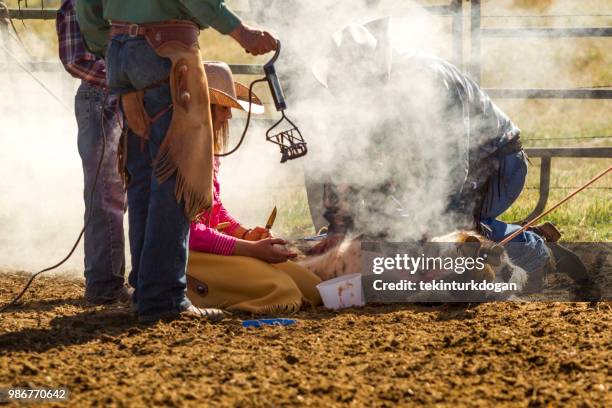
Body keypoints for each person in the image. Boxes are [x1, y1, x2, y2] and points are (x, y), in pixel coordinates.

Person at [76, 0, 278, 323]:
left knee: (142, 174)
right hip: (166, 49)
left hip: (120, 52)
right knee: (177, 172)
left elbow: (87, 6)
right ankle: (164, 297)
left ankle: (146, 291)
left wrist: (110, 47)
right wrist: (242, 33)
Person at [308, 18, 554, 276]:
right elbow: (349, 163)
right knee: (401, 232)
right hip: (433, 168)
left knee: (444, 233)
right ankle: (500, 234)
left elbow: (454, 164)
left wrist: (428, 221)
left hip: (497, 164)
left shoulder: (431, 81)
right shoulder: (365, 98)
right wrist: (339, 228)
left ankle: (530, 246)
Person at [186, 62, 322, 313]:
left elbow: (213, 208)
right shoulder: (184, 154)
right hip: (188, 254)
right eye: (224, 108)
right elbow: (189, 231)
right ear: (206, 107)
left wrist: (244, 233)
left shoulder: (209, 153)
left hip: (207, 246)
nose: (228, 115)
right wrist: (248, 248)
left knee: (313, 287)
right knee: (283, 290)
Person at [56, 0, 129, 304]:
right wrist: (128, 78)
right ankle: (103, 282)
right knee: (106, 192)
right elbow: (76, 60)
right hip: (102, 98)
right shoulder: (76, 3)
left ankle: (119, 278)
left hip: (122, 95)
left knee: (123, 190)